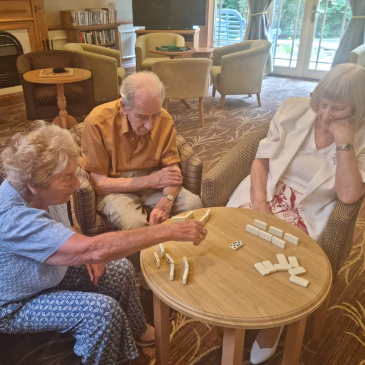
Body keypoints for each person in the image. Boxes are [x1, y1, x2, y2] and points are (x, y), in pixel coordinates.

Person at [0, 122, 207, 365]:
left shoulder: (44, 188)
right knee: (100, 313)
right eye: (68, 178)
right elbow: (95, 248)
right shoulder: (13, 217)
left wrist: (84, 250)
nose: (76, 184)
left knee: (121, 269)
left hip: (47, 271)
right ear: (34, 185)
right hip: (17, 302)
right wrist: (167, 231)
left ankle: (136, 330)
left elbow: (67, 226)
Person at [227, 63, 365, 364]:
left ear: (357, 107)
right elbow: (260, 162)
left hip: (311, 208)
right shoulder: (292, 109)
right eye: (322, 103)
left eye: (338, 109)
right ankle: (235, 296)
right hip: (267, 190)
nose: (326, 115)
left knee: (285, 261)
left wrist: (345, 143)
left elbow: (349, 195)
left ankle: (275, 320)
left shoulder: (362, 134)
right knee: (235, 237)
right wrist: (260, 203)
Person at [79, 71, 203, 231]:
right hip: (115, 188)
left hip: (154, 185)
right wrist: (151, 180)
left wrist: (168, 198)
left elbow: (171, 170)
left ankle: (178, 254)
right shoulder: (97, 122)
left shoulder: (165, 120)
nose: (150, 125)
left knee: (195, 206)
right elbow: (100, 184)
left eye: (155, 115)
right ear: (124, 107)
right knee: (135, 225)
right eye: (142, 116)